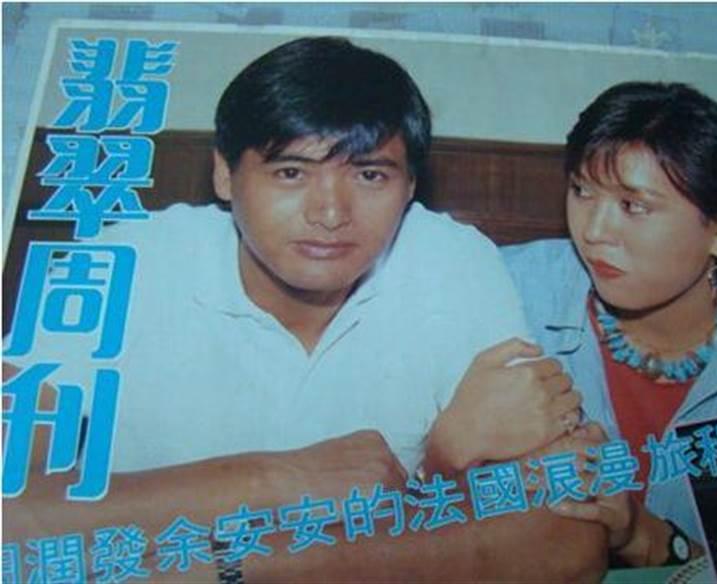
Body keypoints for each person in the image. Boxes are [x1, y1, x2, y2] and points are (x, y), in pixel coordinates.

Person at [3, 37, 605, 582]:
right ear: (224, 174)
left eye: (369, 175)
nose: (331, 213)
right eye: (291, 172)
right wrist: (272, 480)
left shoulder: (454, 263)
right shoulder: (120, 264)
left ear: (410, 186)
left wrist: (234, 567)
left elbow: (566, 534)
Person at [430, 81, 717, 568]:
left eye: (633, 206)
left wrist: (645, 536)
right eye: (581, 191)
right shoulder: (498, 287)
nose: (593, 232)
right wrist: (444, 453)